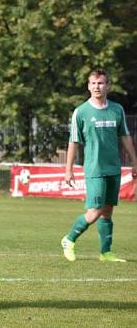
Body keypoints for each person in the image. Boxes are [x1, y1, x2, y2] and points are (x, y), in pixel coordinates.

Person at [61, 69, 137, 263]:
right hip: (95, 169)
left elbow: (126, 137)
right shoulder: (81, 111)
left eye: (101, 83)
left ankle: (105, 252)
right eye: (93, 83)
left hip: (114, 168)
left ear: (107, 86)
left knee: (108, 211)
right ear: (88, 86)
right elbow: (73, 142)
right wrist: (68, 169)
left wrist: (135, 162)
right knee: (94, 211)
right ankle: (69, 239)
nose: (97, 87)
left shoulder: (117, 109)